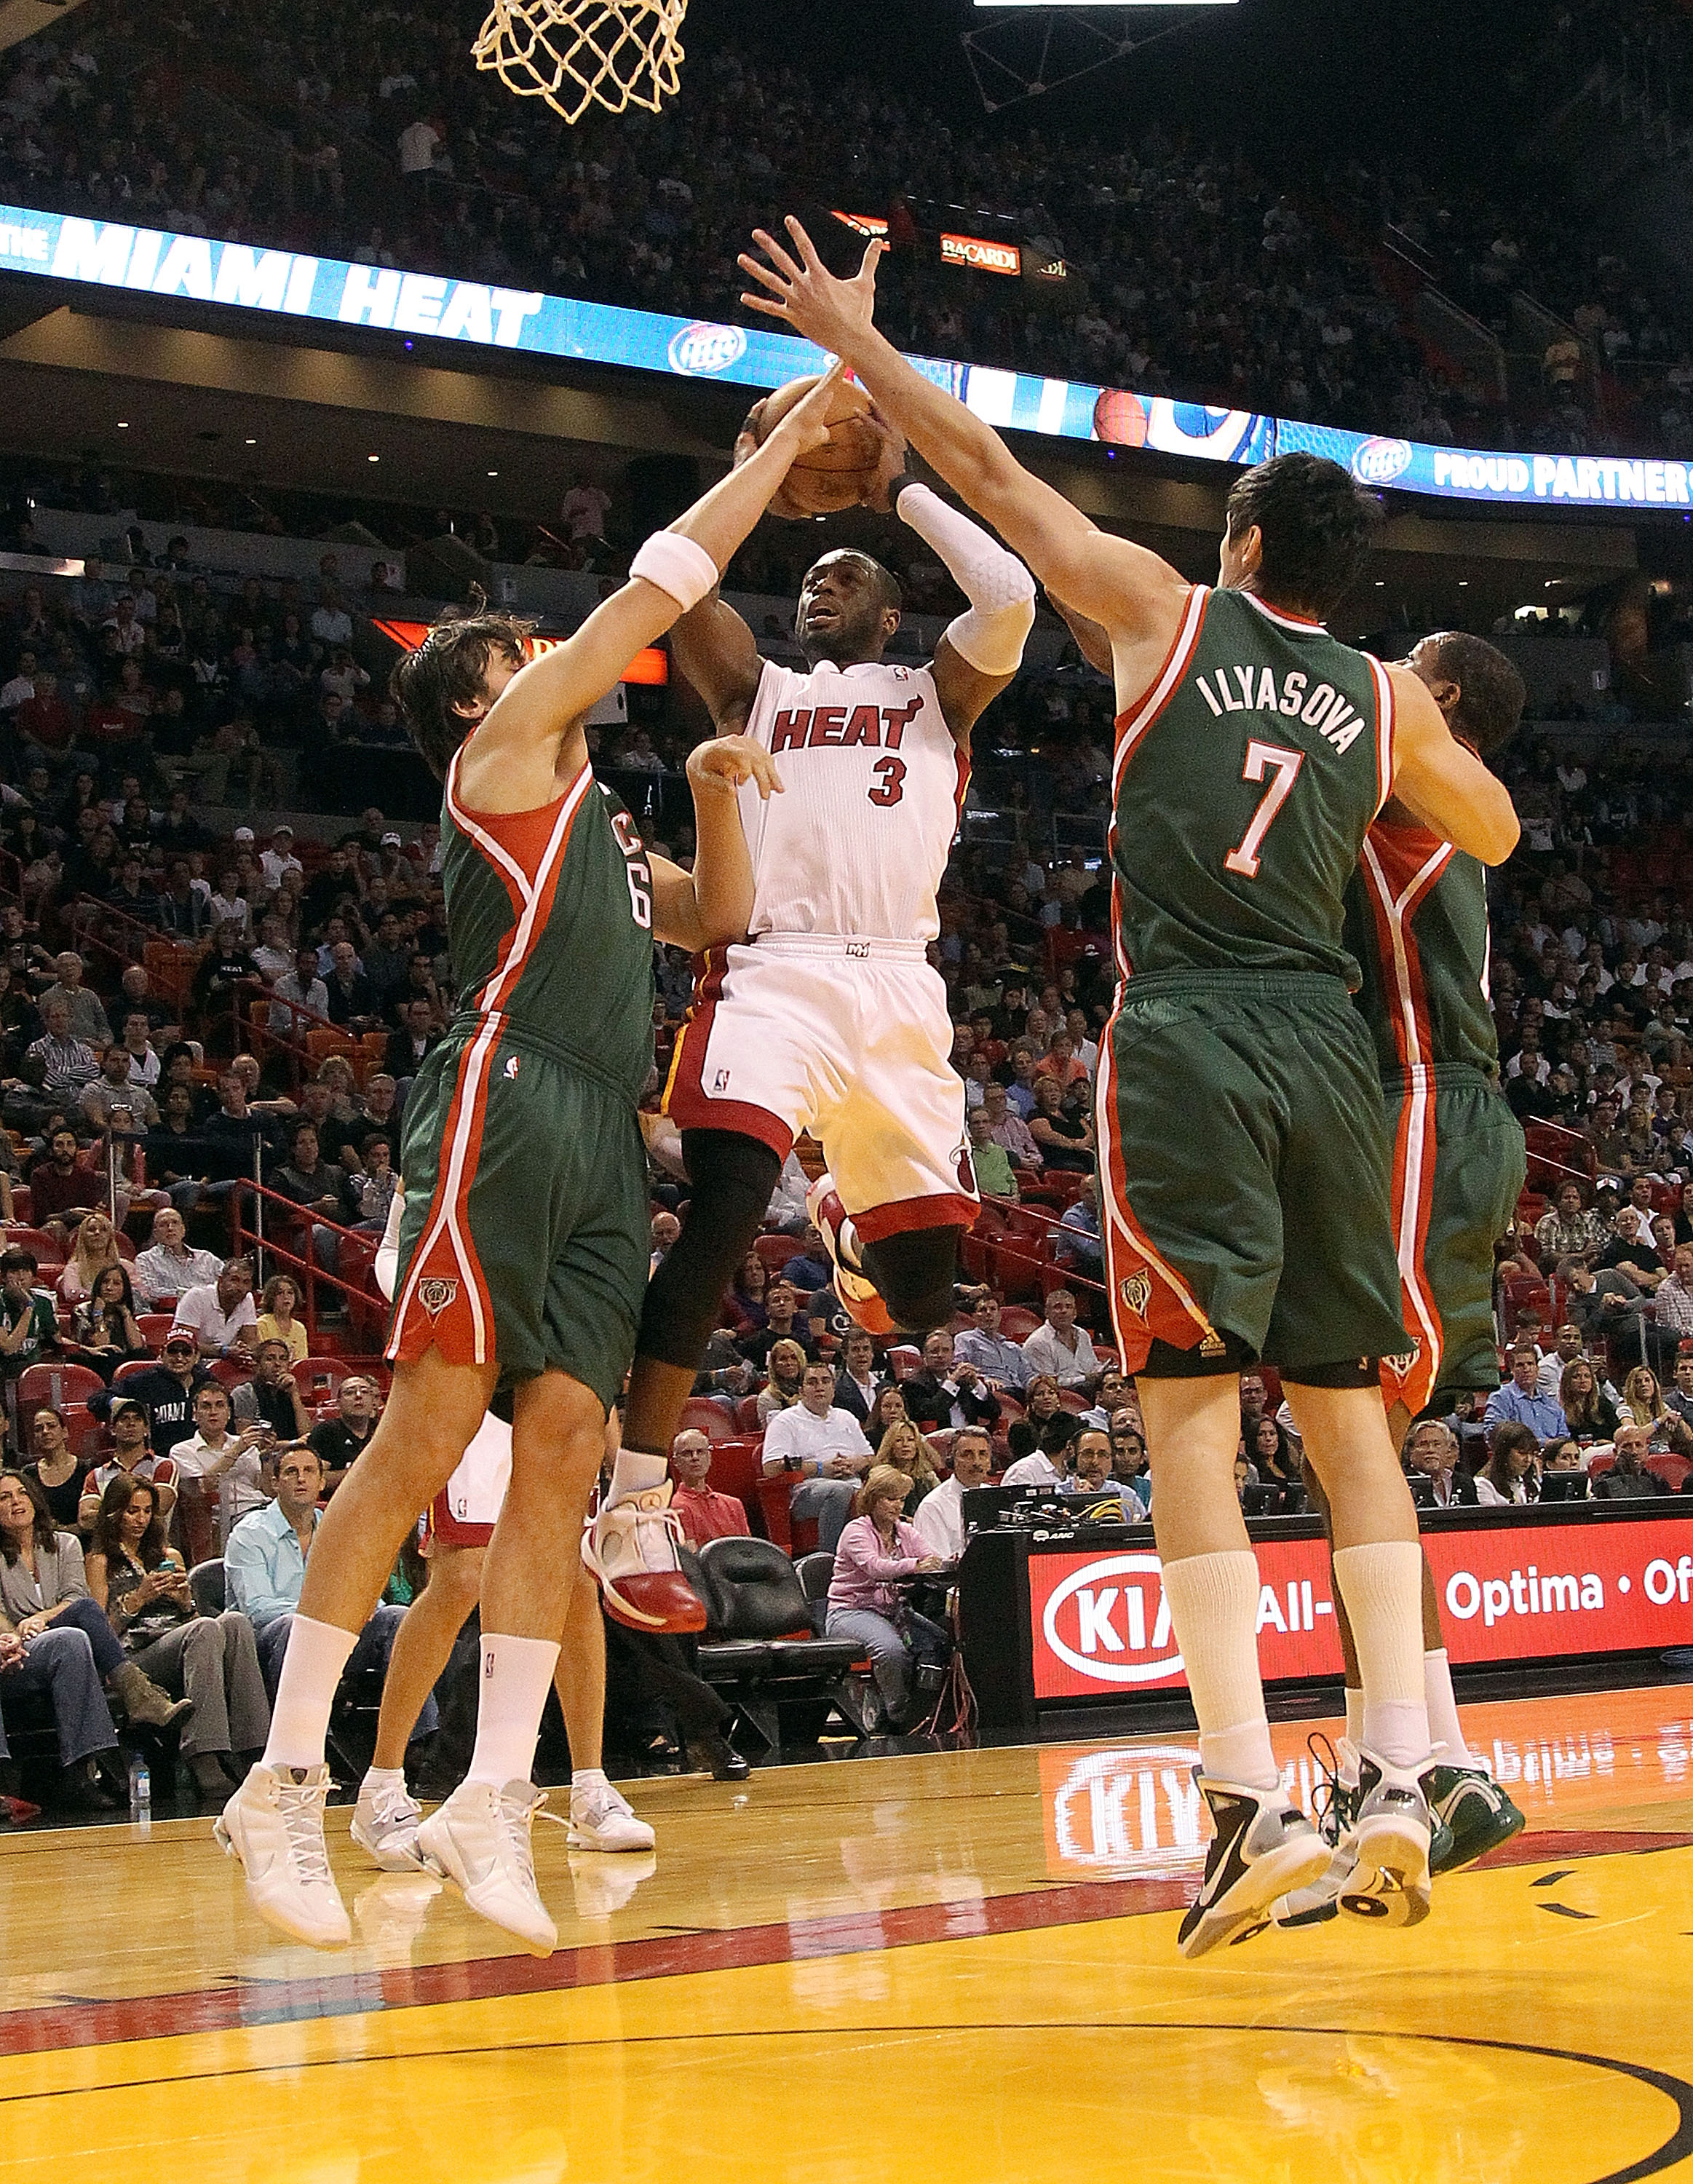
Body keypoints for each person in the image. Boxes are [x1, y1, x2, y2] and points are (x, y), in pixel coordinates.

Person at [738, 223, 1520, 1952]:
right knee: (1341, 1418)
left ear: (1242, 543)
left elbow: (993, 477)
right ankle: (1404, 1760)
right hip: (1330, 1047)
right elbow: (1495, 828)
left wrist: (858, 350)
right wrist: (1382, 756)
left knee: (1182, 1407)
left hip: (1192, 1034)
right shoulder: (1377, 692)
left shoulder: (1165, 611)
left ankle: (1242, 1799)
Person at [217, 370, 845, 1955]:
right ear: (490, 684)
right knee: (430, 1427)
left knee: (564, 1443)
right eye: (527, 645)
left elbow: (722, 917)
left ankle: (494, 1793)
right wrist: (768, 455)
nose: (558, 654)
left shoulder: (603, 837)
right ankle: (282, 1782)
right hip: (501, 1103)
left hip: (596, 1130)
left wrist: (715, 789)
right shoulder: (499, 751)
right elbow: (655, 582)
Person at [625, 384, 1036, 1484]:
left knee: (919, 1301)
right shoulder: (749, 688)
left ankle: (842, 1212)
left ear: (890, 612)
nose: (819, 582)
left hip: (900, 986)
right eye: (810, 574)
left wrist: (899, 489)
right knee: (718, 1221)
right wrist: (758, 464)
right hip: (772, 972)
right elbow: (669, 574)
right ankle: (634, 1488)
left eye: (844, 575)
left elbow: (1009, 595)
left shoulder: (935, 692)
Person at [85, 1475, 269, 1800]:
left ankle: (254, 1751)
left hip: (182, 1639)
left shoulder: (169, 1554)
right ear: (114, 1513)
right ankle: (203, 1755)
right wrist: (137, 1599)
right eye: (131, 1511)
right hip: (135, 1655)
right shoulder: (100, 1561)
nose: (140, 1519)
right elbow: (102, 1635)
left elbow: (194, 1622)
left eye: (146, 1511)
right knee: (205, 1629)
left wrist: (186, 1602)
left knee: (235, 1622)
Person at [0, 1470, 189, 1736]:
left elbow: (76, 1597)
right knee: (81, 1619)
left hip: (61, 1625)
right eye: (5, 1498)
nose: (16, 1501)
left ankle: (137, 1695)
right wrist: (12, 1634)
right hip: (22, 1643)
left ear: (34, 1499)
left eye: (22, 1493)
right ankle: (139, 1695)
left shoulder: (65, 1544)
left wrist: (43, 1617)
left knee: (83, 1612)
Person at [824, 1464, 950, 1730]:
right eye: (890, 1498)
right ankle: (898, 1717)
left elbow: (930, 1559)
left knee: (940, 1640)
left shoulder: (905, 1531)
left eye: (901, 1499)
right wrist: (914, 1566)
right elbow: (875, 1568)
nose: (897, 1505)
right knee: (890, 1650)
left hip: (894, 1611)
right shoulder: (856, 1531)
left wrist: (946, 1563)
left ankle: (928, 1711)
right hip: (850, 1611)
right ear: (873, 1499)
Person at [760, 1360, 872, 1552]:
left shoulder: (846, 1417)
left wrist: (855, 1464)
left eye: (825, 1381)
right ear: (802, 1390)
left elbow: (871, 1458)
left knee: (892, 1483)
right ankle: (832, 1559)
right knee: (839, 1491)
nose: (820, 1387)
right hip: (807, 1491)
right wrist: (821, 1468)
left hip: (854, 1482)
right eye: (812, 1382)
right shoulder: (785, 1421)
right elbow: (771, 1467)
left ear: (833, 1388)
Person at [170, 1380, 270, 1551]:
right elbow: (203, 1488)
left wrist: (267, 1457)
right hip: (224, 1517)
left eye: (219, 1405)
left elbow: (266, 1489)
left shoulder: (246, 1443)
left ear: (229, 1413)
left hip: (263, 1508)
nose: (213, 1412)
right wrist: (236, 1451)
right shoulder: (182, 1451)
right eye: (206, 1406)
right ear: (195, 1414)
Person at [87, 1332, 208, 1465]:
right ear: (161, 1355)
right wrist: (118, 1403)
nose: (179, 1357)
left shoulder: (207, 1382)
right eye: (173, 1351)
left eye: (186, 1352)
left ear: (197, 1357)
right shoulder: (142, 1382)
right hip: (155, 1462)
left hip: (202, 1459)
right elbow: (96, 1400)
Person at [78, 1398, 181, 1524]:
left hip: (153, 1544)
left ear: (146, 1430)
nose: (131, 1423)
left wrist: (107, 1508)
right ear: (113, 1429)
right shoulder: (96, 1475)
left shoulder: (164, 1466)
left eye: (137, 1419)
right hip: (111, 1544)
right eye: (124, 1419)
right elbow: (86, 1520)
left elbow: (158, 1508)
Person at [911, 1425, 994, 1559]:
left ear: (989, 1462)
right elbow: (938, 1564)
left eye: (982, 1454)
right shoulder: (933, 1506)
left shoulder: (995, 1498)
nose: (976, 1462)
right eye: (967, 1455)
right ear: (952, 1460)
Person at [902, 1326, 1002, 1433]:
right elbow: (932, 1412)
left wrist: (977, 1385)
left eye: (945, 1350)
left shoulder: (963, 1381)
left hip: (969, 1440)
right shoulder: (913, 1385)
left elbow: (993, 1413)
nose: (940, 1355)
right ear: (924, 1356)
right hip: (938, 1441)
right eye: (934, 1351)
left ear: (953, 1355)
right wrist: (951, 1383)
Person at [668, 1430, 751, 1546]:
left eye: (700, 1452)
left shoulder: (734, 1504)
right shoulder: (678, 1507)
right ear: (676, 1462)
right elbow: (692, 1557)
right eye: (687, 1453)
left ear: (709, 1457)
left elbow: (748, 1550)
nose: (695, 1458)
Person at [66, 1262, 147, 1381]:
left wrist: (126, 1316)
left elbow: (137, 1347)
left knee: (141, 1355)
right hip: (94, 1361)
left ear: (125, 1289)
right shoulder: (82, 1310)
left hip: (121, 1361)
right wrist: (98, 1314)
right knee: (108, 1353)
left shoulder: (125, 1312)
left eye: (116, 1283)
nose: (109, 1288)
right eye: (105, 1282)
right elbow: (102, 1344)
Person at [173, 1259, 259, 1364]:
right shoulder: (196, 1296)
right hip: (189, 1361)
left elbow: (251, 1341)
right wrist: (224, 1351)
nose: (240, 1287)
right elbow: (186, 1343)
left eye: (246, 1282)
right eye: (234, 1280)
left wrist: (244, 1351)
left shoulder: (247, 1299)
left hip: (225, 1362)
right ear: (221, 1281)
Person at [306, 1373, 381, 1489]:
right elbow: (314, 1479)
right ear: (338, 1404)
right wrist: (359, 1472)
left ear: (373, 1403)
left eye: (365, 1392)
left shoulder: (382, 1430)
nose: (358, 1396)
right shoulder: (326, 1432)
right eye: (349, 1392)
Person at [1019, 1290, 1102, 1393]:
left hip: (1089, 1387)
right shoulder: (1038, 1342)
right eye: (1057, 1307)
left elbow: (1092, 1366)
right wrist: (1085, 1379)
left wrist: (1105, 1370)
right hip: (1061, 1393)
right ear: (1047, 1313)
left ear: (1075, 1313)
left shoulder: (1083, 1335)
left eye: (1068, 1307)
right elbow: (1048, 1383)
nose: (1064, 1311)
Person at [1483, 1346, 1566, 1441]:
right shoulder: (1500, 1397)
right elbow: (1493, 1434)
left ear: (1537, 1368)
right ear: (1512, 1369)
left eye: (1530, 1364)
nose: (1526, 1369)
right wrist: (1544, 1444)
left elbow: (1564, 1436)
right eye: (1520, 1365)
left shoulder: (1551, 1404)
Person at [952, 1291, 1029, 1390]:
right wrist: (983, 1380)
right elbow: (961, 1368)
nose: (989, 1313)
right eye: (983, 1310)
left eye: (993, 1309)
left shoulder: (1013, 1347)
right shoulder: (966, 1339)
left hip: (1019, 1391)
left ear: (1000, 1316)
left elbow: (1028, 1375)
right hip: (990, 1391)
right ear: (974, 1317)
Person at [22, 1408, 85, 1529]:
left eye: (51, 1426)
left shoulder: (86, 1469)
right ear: (35, 1439)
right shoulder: (28, 1474)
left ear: (65, 1432)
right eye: (38, 1429)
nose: (45, 1432)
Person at [1402, 1419, 1478, 1508]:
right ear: (1410, 1451)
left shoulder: (1465, 1482)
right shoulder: (1404, 1483)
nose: (1431, 1450)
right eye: (1423, 1444)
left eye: (1437, 1444)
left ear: (1448, 1450)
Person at [1593, 1421, 1664, 1500]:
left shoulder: (1658, 1482)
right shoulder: (1603, 1483)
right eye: (1627, 1446)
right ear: (1615, 1453)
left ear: (1647, 1451)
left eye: (1638, 1445)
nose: (1634, 1452)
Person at [1475, 1423, 1540, 1506]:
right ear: (1504, 1453)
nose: (1528, 1460)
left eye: (1532, 1454)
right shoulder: (1483, 1485)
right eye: (1522, 1453)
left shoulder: (1532, 1484)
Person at [1558, 1358, 1620, 1444]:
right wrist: (1594, 1444)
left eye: (1587, 1376)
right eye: (1576, 1377)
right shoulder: (1559, 1410)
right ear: (1567, 1381)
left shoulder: (1603, 1404)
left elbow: (1618, 1432)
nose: (1583, 1381)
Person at [255, 1274, 309, 1365]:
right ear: (271, 1297)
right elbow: (262, 1360)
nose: (286, 1297)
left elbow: (301, 1361)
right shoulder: (262, 1324)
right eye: (280, 1293)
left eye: (290, 1293)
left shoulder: (300, 1328)